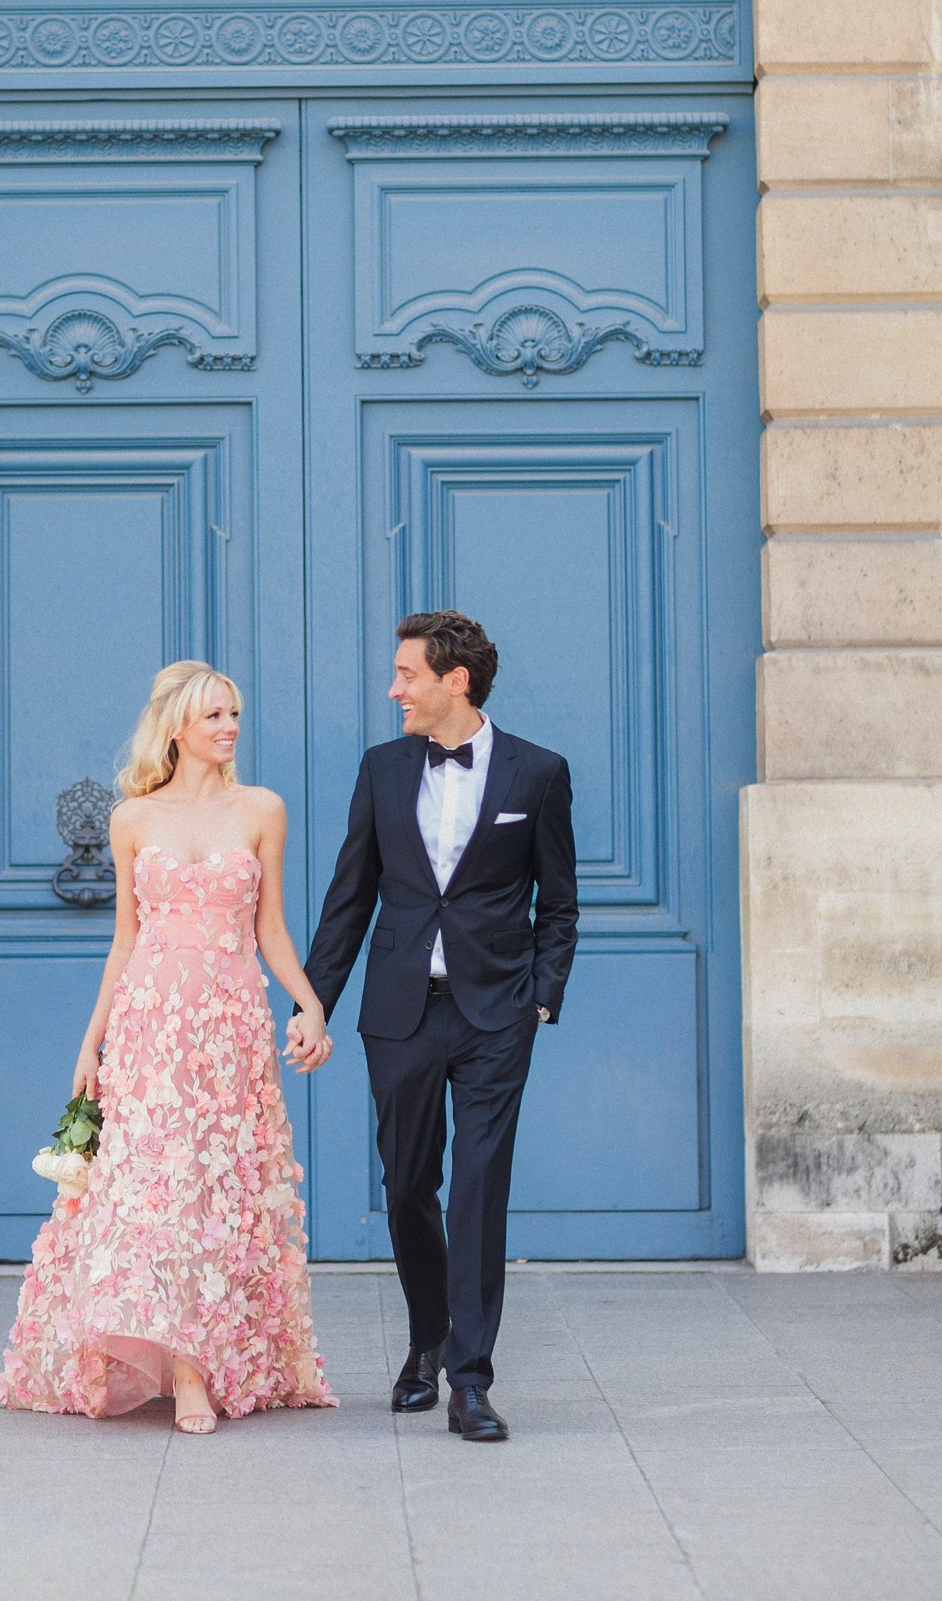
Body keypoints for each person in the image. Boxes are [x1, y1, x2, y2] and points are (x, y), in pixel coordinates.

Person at [0, 660, 337, 1434]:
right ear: (177, 727)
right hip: (149, 1029)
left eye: (234, 715)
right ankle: (178, 1368)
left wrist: (310, 1004)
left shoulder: (262, 809)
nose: (229, 728)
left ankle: (206, 1363)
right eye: (214, 716)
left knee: (215, 1197)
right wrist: (92, 1045)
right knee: (159, 1193)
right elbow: (124, 943)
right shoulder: (132, 820)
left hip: (227, 1031)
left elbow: (271, 929)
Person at [291, 610, 578, 1442]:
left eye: (407, 675)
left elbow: (558, 904)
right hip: (402, 1013)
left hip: (497, 1015)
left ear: (456, 680)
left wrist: (542, 997)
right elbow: (349, 898)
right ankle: (427, 1338)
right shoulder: (382, 769)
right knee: (409, 1184)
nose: (394, 690)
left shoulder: (539, 773)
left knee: (481, 1189)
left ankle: (470, 1381)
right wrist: (315, 1004)